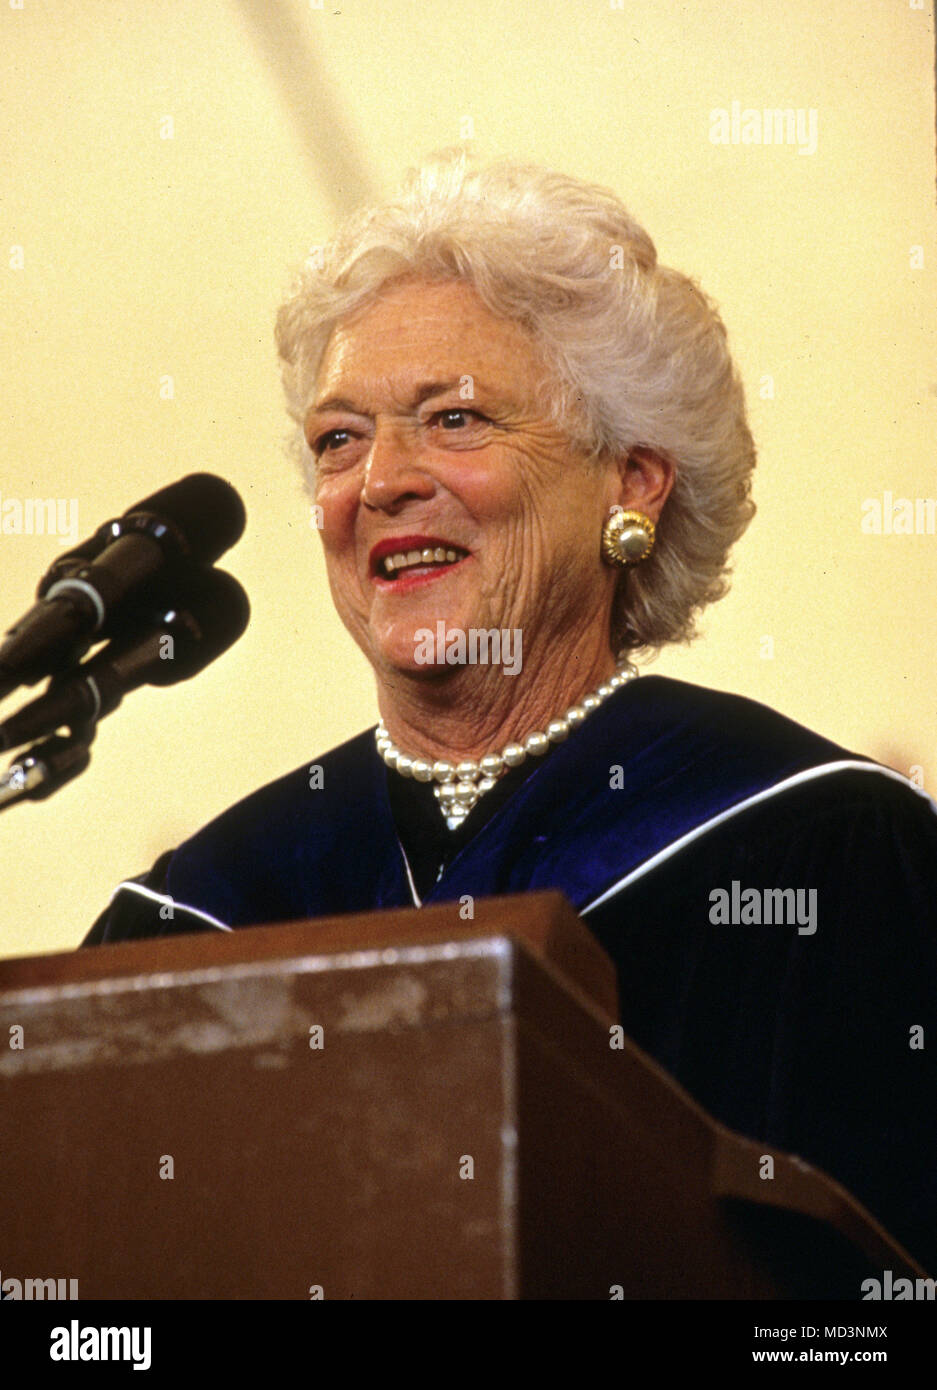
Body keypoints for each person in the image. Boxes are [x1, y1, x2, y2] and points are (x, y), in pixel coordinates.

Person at [83, 152, 937, 1275]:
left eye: (455, 418)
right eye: (338, 438)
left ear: (631, 481)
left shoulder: (825, 853)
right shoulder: (186, 921)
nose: (380, 477)